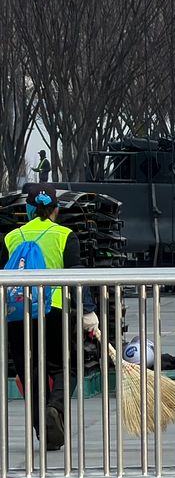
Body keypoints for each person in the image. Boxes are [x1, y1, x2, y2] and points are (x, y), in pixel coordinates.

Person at [2, 185, 97, 451]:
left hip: (18, 313)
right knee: (64, 366)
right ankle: (54, 407)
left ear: (28, 211)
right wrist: (88, 311)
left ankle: (44, 431)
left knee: (28, 372)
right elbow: (77, 275)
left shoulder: (11, 237)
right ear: (55, 209)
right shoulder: (65, 235)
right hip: (53, 309)